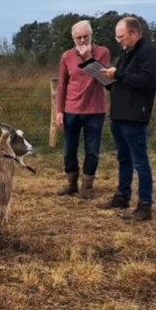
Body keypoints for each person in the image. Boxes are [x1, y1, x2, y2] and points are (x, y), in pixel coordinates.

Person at [97, 16, 156, 221]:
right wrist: (106, 80)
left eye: (122, 36)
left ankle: (145, 205)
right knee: (123, 158)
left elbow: (147, 80)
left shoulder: (150, 54)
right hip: (118, 114)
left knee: (140, 162)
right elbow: (121, 80)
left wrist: (120, 75)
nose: (119, 41)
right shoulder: (125, 55)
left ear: (134, 33)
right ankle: (122, 196)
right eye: (117, 38)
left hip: (135, 116)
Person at [55, 20, 111, 199]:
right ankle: (72, 184)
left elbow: (105, 80)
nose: (82, 40)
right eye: (78, 37)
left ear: (91, 36)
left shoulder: (102, 52)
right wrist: (59, 111)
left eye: (85, 36)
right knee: (70, 150)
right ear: (73, 38)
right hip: (71, 110)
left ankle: (87, 187)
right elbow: (62, 85)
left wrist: (88, 58)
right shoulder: (66, 57)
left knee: (92, 151)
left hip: (95, 110)